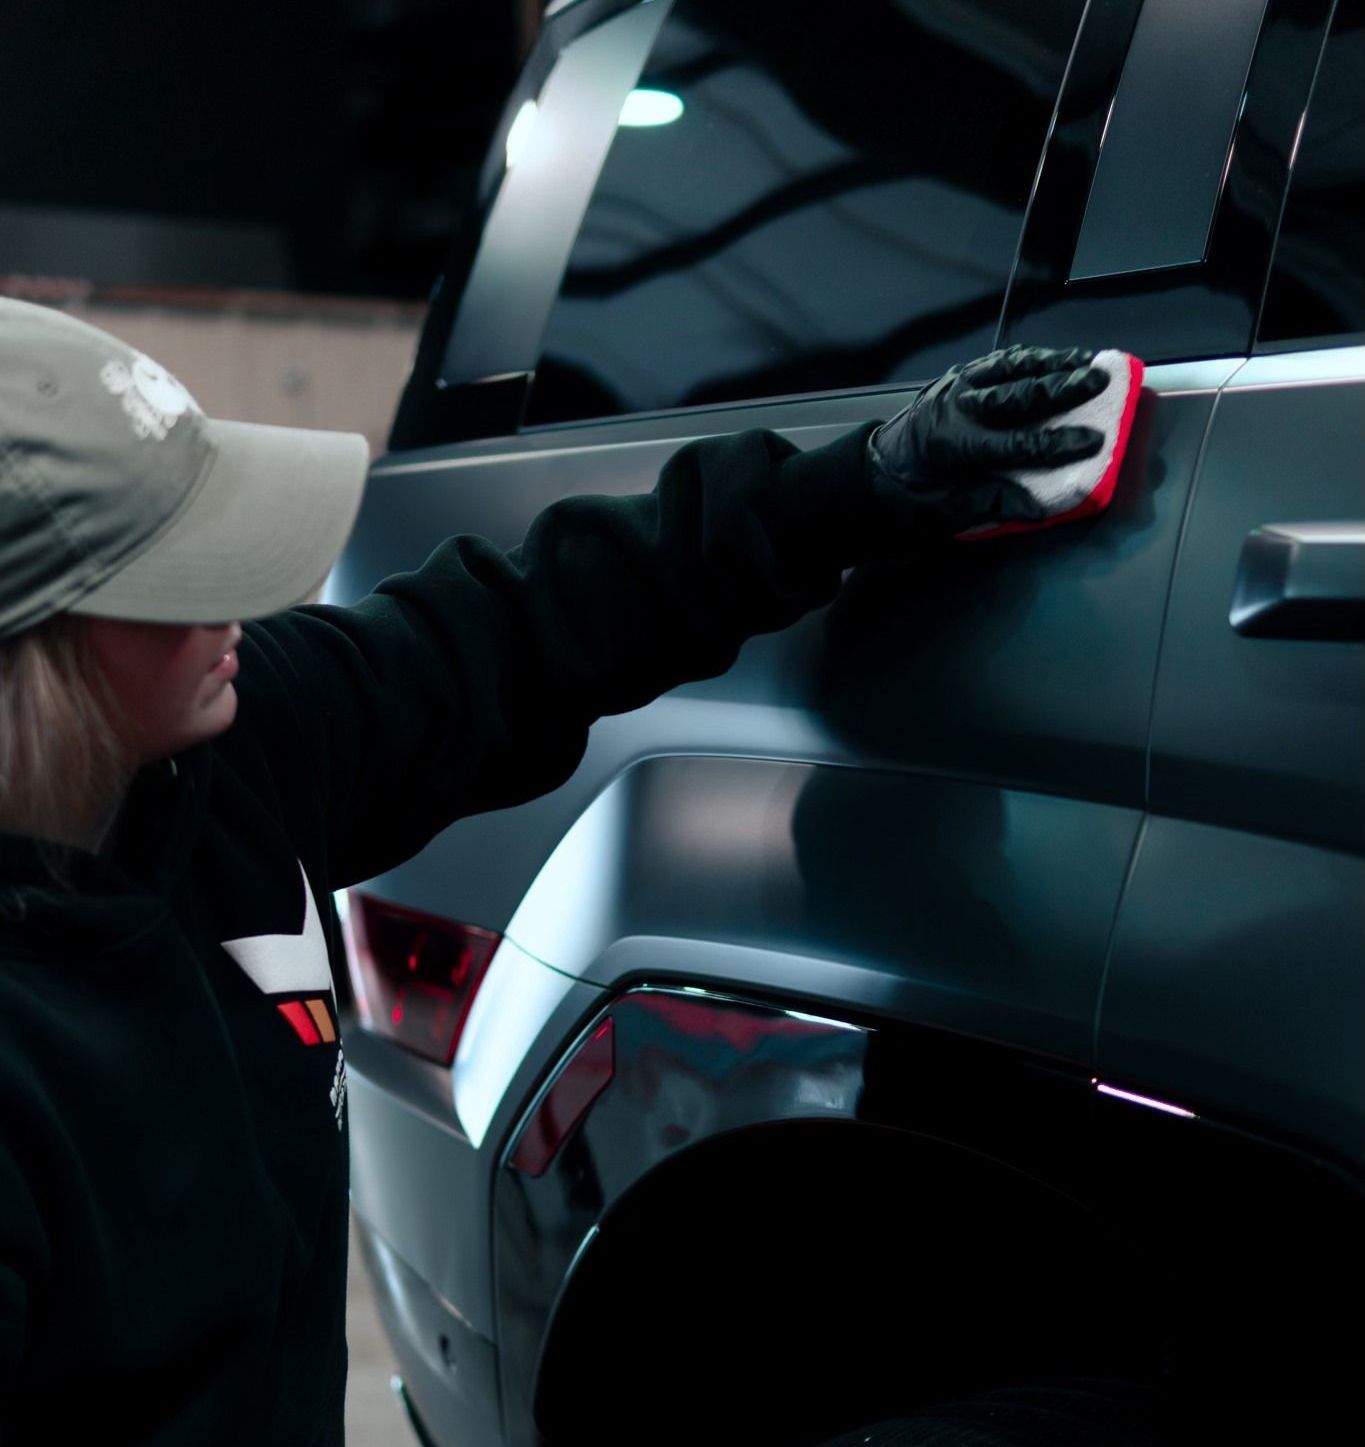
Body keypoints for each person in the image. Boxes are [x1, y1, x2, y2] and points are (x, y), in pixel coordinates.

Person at [0, 296, 1111, 1444]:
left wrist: (853, 487)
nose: (242, 594)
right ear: (37, 656)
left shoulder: (230, 743)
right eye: (182, 569)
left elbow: (519, 625)